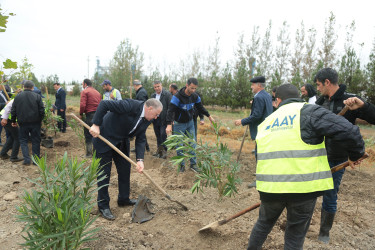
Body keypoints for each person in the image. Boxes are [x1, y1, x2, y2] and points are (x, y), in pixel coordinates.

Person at [247, 84, 365, 250]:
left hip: (270, 188)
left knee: (263, 225)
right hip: (302, 189)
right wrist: (355, 155)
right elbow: (350, 131)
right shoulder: (309, 111)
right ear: (298, 97)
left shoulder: (266, 122)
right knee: (294, 236)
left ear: (278, 100)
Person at [314, 67, 375, 243]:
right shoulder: (320, 103)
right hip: (318, 156)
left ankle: (324, 232)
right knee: (309, 192)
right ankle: (302, 225)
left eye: (318, 84)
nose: (317, 88)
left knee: (330, 194)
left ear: (327, 82)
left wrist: (363, 105)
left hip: (338, 158)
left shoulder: (350, 101)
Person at [89, 98, 162, 220]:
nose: (156, 117)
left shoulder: (148, 118)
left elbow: (141, 138)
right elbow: (104, 104)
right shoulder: (130, 106)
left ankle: (123, 199)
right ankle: (103, 206)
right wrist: (96, 124)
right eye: (156, 114)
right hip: (104, 137)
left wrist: (140, 160)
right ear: (149, 108)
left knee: (125, 169)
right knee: (104, 173)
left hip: (121, 140)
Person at [166, 77, 215, 173]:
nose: (193, 90)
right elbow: (170, 110)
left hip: (190, 123)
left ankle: (193, 164)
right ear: (187, 85)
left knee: (192, 143)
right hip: (179, 124)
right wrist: (169, 124)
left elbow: (200, 107)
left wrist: (208, 116)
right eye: (192, 88)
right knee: (179, 145)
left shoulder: (195, 96)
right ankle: (181, 165)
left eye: (195, 88)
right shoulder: (177, 97)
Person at [234, 76, 273, 156]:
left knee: (259, 154)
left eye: (253, 84)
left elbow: (257, 115)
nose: (251, 86)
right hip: (267, 128)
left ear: (259, 85)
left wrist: (242, 121)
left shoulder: (258, 97)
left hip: (260, 129)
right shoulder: (267, 95)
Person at [10, 80, 44, 166]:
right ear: (32, 87)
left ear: (23, 87)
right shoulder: (37, 96)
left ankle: (27, 160)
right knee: (36, 140)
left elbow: (13, 110)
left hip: (23, 123)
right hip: (35, 123)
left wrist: (14, 121)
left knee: (23, 140)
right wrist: (40, 120)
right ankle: (36, 161)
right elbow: (42, 111)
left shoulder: (17, 97)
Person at [79, 79, 101, 157]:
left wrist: (81, 113)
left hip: (89, 115)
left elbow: (82, 105)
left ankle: (89, 154)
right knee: (96, 134)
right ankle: (95, 153)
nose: (82, 85)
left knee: (88, 135)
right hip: (98, 115)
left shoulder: (85, 92)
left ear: (85, 84)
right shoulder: (97, 92)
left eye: (82, 84)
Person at [150, 80, 172, 159]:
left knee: (163, 135)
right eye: (155, 87)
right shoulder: (153, 96)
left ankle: (164, 152)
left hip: (164, 119)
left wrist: (170, 120)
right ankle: (159, 152)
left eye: (158, 86)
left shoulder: (167, 95)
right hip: (155, 119)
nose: (157, 88)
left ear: (161, 86)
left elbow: (170, 107)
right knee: (158, 135)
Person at [133, 79, 150, 152]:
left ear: (136, 85)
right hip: (142, 115)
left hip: (142, 116)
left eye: (134, 86)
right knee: (141, 132)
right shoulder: (141, 91)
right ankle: (146, 147)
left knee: (140, 132)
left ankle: (143, 148)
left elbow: (141, 105)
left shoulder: (141, 93)